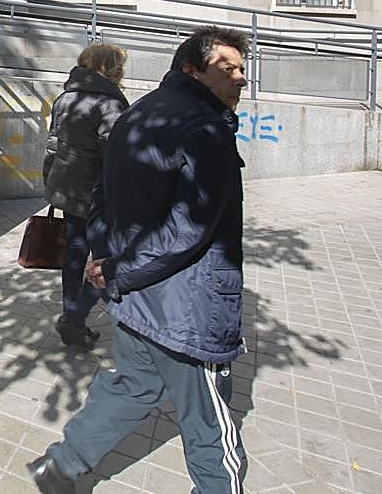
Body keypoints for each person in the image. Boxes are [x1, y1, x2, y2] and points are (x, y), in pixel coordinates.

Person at [28, 25, 250, 494]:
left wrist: (109, 261)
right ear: (191, 69)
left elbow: (103, 190)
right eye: (226, 68)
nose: (240, 78)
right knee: (210, 422)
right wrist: (114, 266)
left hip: (134, 295)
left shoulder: (140, 112)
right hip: (185, 307)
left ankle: (61, 467)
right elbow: (189, 230)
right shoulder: (203, 129)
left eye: (243, 69)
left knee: (133, 386)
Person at [42, 43, 129, 349]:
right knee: (106, 261)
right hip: (97, 195)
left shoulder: (65, 98)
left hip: (67, 190)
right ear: (110, 68)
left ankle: (72, 316)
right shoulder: (109, 105)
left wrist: (49, 181)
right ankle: (78, 319)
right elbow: (118, 156)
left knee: (75, 255)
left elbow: (53, 144)